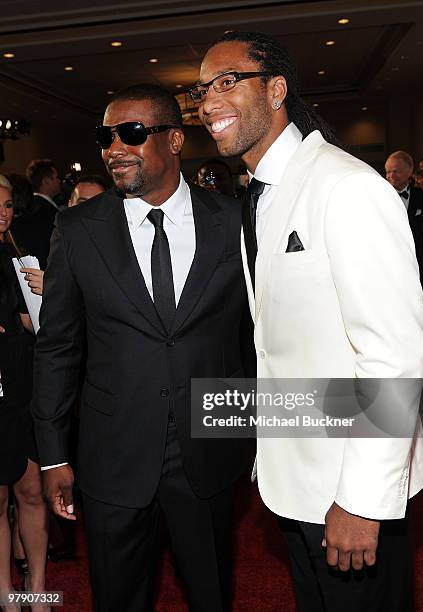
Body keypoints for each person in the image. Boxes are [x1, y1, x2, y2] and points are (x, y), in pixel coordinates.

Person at [195, 31, 423, 612]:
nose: (208, 102)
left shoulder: (346, 187)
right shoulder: (261, 194)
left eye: (227, 82)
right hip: (294, 483)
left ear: (277, 90)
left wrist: (362, 499)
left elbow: (393, 354)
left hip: (348, 490)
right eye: (201, 90)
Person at [32, 83, 253, 612]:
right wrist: (52, 455)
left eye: (130, 133)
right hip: (113, 452)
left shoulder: (233, 221)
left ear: (174, 139)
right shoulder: (78, 228)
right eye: (106, 137)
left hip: (209, 446)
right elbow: (59, 346)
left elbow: (253, 337)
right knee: (117, 597)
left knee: (211, 593)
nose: (113, 149)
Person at [0, 175, 49, 612]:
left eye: (8, 204)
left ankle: (37, 589)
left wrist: (48, 294)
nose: (3, 211)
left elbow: (36, 326)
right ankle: (5, 596)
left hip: (25, 385)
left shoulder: (19, 256)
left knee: (32, 493)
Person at [385, 150, 423, 301]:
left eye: (395, 171)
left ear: (409, 171)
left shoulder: (422, 196)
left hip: (417, 260)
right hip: (390, 261)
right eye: (388, 171)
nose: (391, 175)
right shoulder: (381, 197)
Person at [12, 160, 61, 269]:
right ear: (46, 181)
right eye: (56, 177)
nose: (59, 181)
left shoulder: (34, 208)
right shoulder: (44, 213)